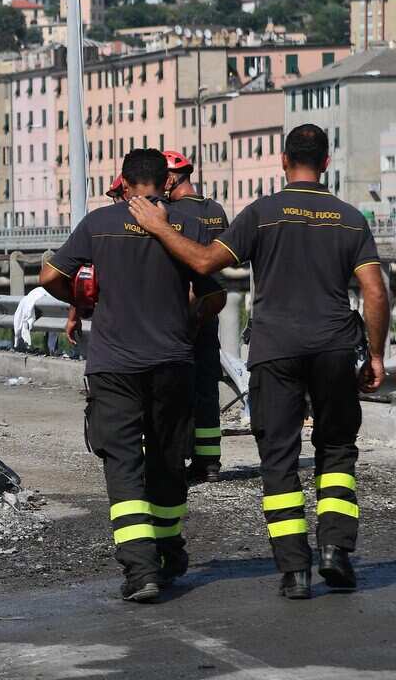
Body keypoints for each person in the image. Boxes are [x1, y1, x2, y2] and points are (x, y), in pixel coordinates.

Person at [127, 124, 390, 599]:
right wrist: (374, 353)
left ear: (283, 161)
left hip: (275, 352)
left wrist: (161, 228)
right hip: (333, 349)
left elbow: (206, 262)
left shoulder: (263, 214)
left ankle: (294, 571)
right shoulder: (350, 219)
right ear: (326, 163)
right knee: (336, 451)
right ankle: (335, 551)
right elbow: (375, 290)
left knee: (280, 458)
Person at [40, 149, 225, 602]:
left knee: (123, 463)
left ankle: (141, 570)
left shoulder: (97, 224)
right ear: (165, 183)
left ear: (122, 182)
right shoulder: (186, 225)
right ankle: (168, 549)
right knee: (167, 459)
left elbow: (49, 275)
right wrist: (191, 320)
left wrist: (85, 304)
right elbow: (213, 294)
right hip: (172, 361)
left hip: (114, 365)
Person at [162, 151, 230, 482]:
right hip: (210, 307)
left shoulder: (171, 214)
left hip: (179, 310)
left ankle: (176, 456)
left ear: (173, 178)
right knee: (207, 385)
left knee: (175, 387)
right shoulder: (215, 211)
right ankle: (209, 461)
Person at [66, 176, 129, 344]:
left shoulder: (101, 225)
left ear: (125, 192)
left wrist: (74, 315)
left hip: (112, 321)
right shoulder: (161, 220)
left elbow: (81, 277)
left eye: (115, 197)